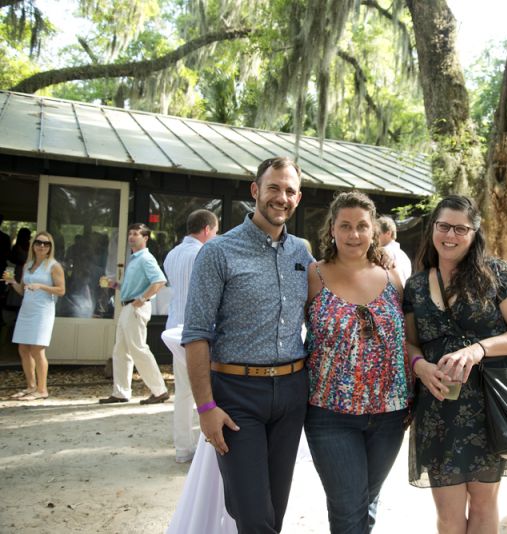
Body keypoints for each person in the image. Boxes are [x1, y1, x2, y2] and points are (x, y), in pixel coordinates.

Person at [182, 156, 313, 534]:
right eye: (273, 188)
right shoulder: (218, 252)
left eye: (290, 191)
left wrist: (378, 257)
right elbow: (196, 334)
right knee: (253, 515)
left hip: (291, 393)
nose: (281, 197)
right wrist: (206, 407)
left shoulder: (302, 253)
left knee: (275, 510)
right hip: (237, 395)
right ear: (256, 191)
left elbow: (336, 286)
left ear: (298, 198)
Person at [403, 195, 507, 533]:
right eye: (444, 226)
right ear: (433, 228)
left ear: (474, 233)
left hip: (488, 407)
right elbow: (409, 342)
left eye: (460, 229)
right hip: (438, 408)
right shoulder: (416, 285)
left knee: (483, 505)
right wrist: (420, 365)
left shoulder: (498, 274)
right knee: (448, 516)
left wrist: (479, 349)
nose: (450, 235)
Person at [304, 192, 410, 533]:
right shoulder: (313, 275)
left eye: (362, 226)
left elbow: (408, 339)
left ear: (375, 230)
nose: (354, 235)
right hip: (330, 415)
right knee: (349, 510)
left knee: (366, 503)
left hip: (390, 415)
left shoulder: (393, 278)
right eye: (345, 226)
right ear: (331, 230)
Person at [160, 209, 219, 463]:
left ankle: (183, 448)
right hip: (199, 330)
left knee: (183, 392)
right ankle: (208, 451)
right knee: (210, 392)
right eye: (215, 232)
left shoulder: (172, 254)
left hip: (175, 327)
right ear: (207, 229)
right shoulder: (204, 253)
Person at [99, 223, 169, 405]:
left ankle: (159, 390)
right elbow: (134, 287)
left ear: (145, 238)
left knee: (138, 349)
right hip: (128, 307)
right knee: (120, 350)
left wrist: (143, 299)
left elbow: (160, 281)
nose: (131, 236)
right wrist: (115, 286)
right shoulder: (134, 259)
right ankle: (121, 392)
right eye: (130, 233)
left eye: (136, 234)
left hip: (135, 308)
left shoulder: (145, 258)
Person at [5, 231, 65, 400]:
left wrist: (42, 286)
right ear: (33, 245)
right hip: (27, 310)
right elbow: (23, 291)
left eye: (46, 244)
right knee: (23, 348)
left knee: (37, 350)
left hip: (43, 311)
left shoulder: (54, 266)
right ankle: (31, 386)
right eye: (38, 243)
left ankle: (42, 389)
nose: (42, 246)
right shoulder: (28, 265)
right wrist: (13, 283)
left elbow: (61, 290)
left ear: (50, 247)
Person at [377, 215, 412, 283]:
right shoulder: (403, 255)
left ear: (388, 233)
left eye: (377, 233)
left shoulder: (384, 253)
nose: (374, 236)